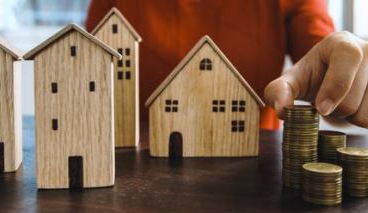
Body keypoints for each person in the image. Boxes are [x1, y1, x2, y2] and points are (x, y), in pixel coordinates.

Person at [86, 0, 368, 130]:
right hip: (137, 169)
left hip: (249, 180)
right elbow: (90, 76)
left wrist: (350, 72)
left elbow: (325, 69)